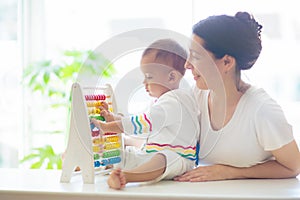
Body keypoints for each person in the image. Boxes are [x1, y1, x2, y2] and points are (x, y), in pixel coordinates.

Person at [174, 11, 300, 182]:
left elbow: (293, 166)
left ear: (227, 62)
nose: (187, 64)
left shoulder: (262, 110)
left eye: (196, 56)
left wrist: (230, 172)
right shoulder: (195, 95)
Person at [91, 39, 200, 189]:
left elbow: (145, 122)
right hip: (151, 153)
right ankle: (99, 164)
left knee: (163, 159)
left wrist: (109, 126)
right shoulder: (160, 102)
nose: (144, 83)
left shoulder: (177, 101)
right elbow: (140, 123)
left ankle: (127, 176)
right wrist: (113, 119)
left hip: (179, 159)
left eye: (149, 77)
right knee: (125, 153)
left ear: (171, 77)